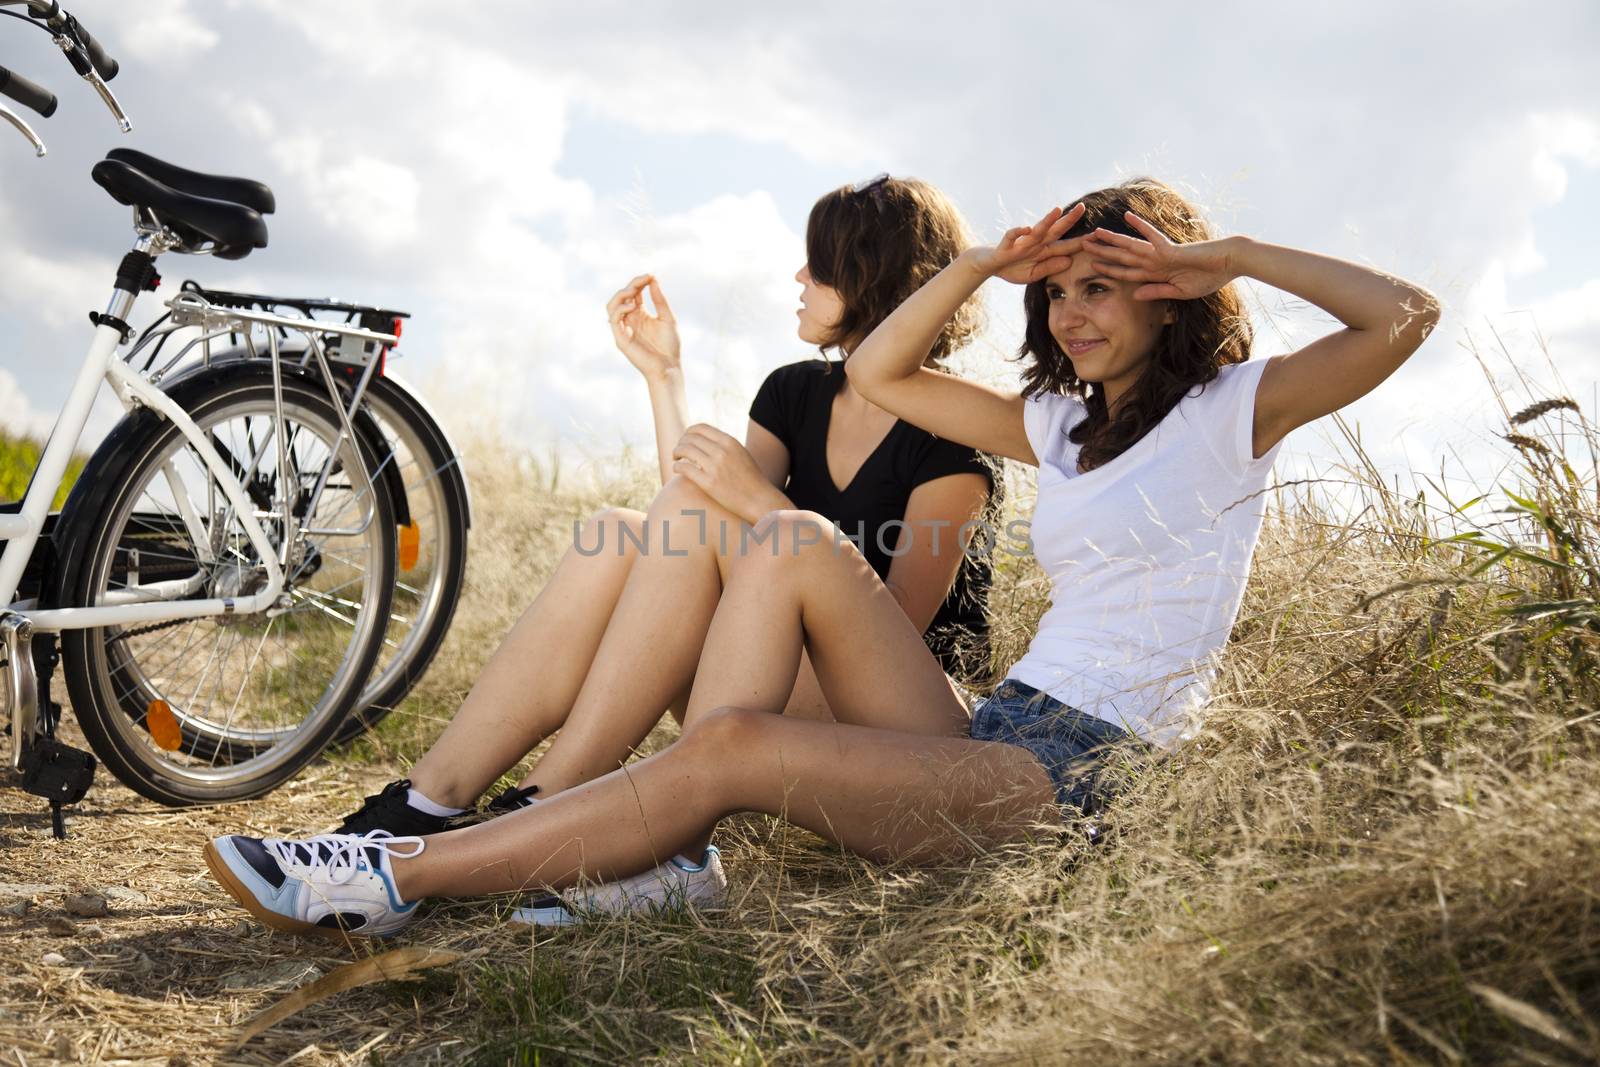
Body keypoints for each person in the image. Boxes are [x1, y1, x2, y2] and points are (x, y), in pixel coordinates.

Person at [204, 178, 1440, 939]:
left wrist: (1223, 256)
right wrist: (985, 263)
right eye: (1059, 290)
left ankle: (393, 871)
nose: (1071, 309)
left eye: (1102, 286)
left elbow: (1403, 316)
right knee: (790, 540)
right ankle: (659, 846)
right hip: (997, 721)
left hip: (1094, 779)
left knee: (732, 738)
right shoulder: (1059, 425)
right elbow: (875, 373)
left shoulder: (1238, 411)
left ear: (1166, 296)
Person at [324, 176, 998, 920]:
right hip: (771, 677)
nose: (799, 279)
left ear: (873, 276)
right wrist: (664, 376)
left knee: (691, 521)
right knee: (620, 531)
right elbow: (693, 526)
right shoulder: (794, 393)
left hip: (889, 726)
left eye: (820, 264)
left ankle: (550, 809)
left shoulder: (953, 433)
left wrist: (763, 503)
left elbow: (890, 626)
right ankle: (435, 796)